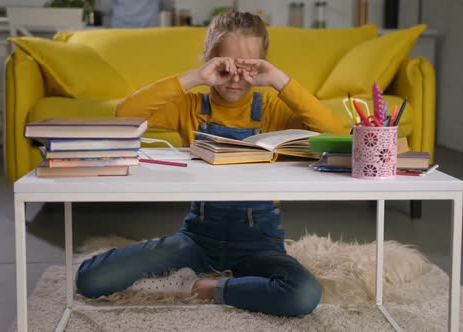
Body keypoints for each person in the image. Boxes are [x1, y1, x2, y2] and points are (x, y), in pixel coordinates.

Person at [75, 11, 346, 317]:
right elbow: (125, 114)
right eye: (225, 66)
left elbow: (334, 134)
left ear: (262, 65)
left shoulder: (273, 108)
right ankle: (234, 283)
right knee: (90, 278)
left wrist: (279, 81)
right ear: (210, 60)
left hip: (260, 246)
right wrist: (195, 78)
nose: (235, 78)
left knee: (303, 294)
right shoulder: (191, 106)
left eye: (248, 67)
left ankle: (207, 288)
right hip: (196, 241)